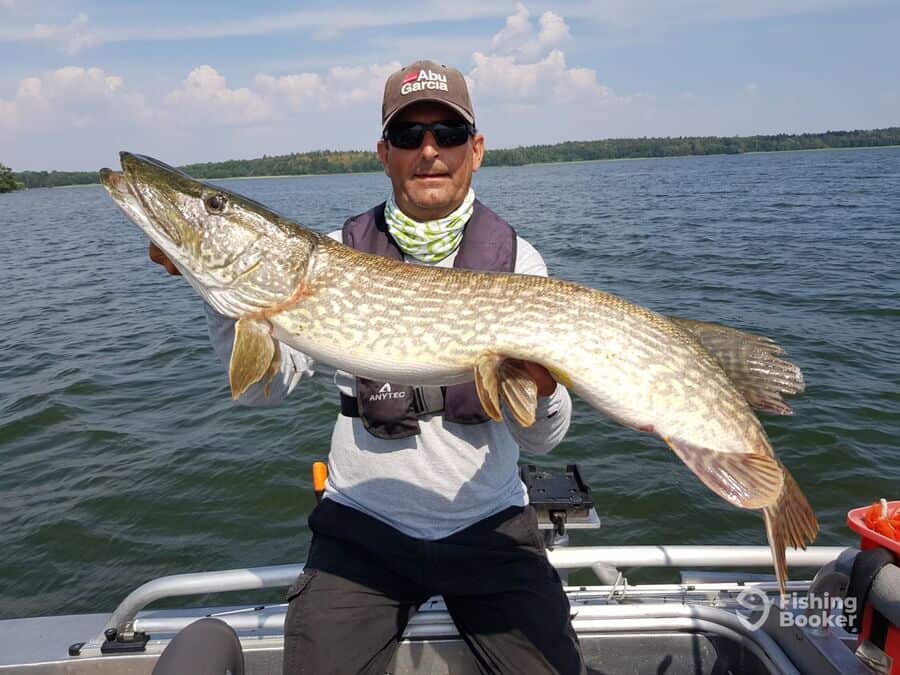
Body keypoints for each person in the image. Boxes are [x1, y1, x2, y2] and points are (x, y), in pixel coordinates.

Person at [150, 59, 585, 675]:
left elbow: (545, 435)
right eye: (409, 136)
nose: (429, 151)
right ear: (384, 152)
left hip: (489, 524)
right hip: (363, 530)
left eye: (448, 135)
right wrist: (218, 289)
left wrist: (540, 389)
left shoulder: (520, 264)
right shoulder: (333, 254)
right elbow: (261, 389)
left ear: (476, 149)